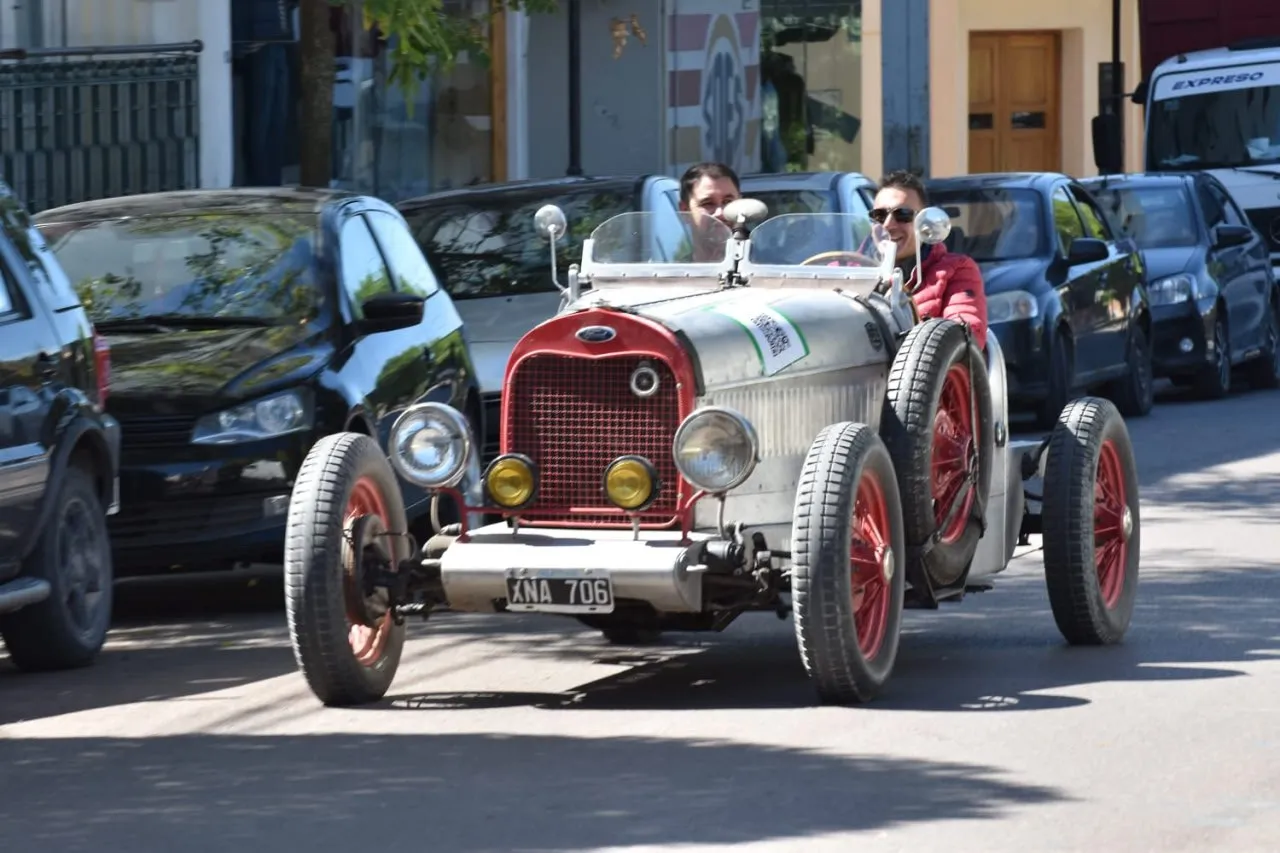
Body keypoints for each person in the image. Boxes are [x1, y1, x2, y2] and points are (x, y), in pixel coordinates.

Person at [872, 170, 989, 350]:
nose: (888, 225)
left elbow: (964, 338)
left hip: (919, 376)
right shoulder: (847, 270)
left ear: (923, 223)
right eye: (879, 215)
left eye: (902, 214)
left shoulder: (956, 270)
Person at [678, 161, 741, 261]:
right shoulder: (674, 273)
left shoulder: (764, 268)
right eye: (708, 203)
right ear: (685, 211)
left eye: (728, 201)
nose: (720, 213)